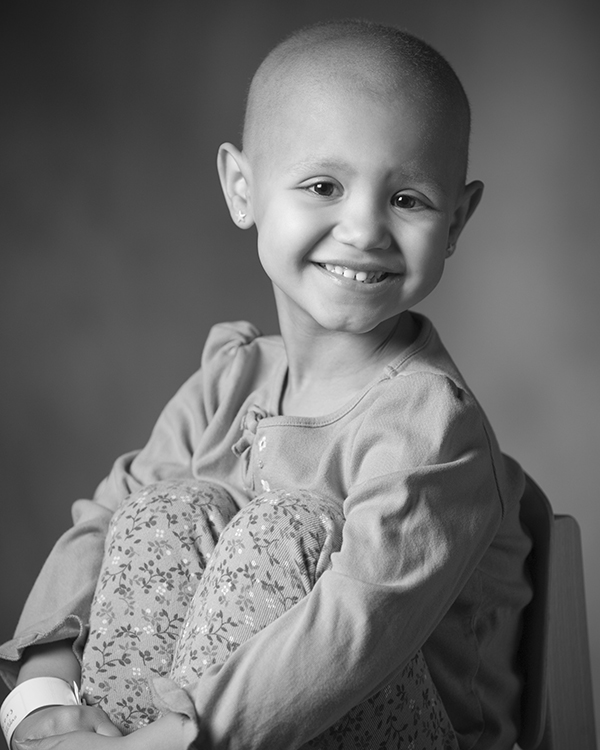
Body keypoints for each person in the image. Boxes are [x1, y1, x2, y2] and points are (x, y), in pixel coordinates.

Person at [0, 18, 532, 750]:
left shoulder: (432, 429)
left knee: (288, 527)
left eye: (408, 199)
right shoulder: (232, 379)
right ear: (242, 189)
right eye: (323, 186)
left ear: (457, 222)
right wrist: (40, 685)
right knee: (164, 512)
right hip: (184, 732)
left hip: (401, 728)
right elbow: (106, 521)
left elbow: (353, 633)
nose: (365, 227)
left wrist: (179, 739)